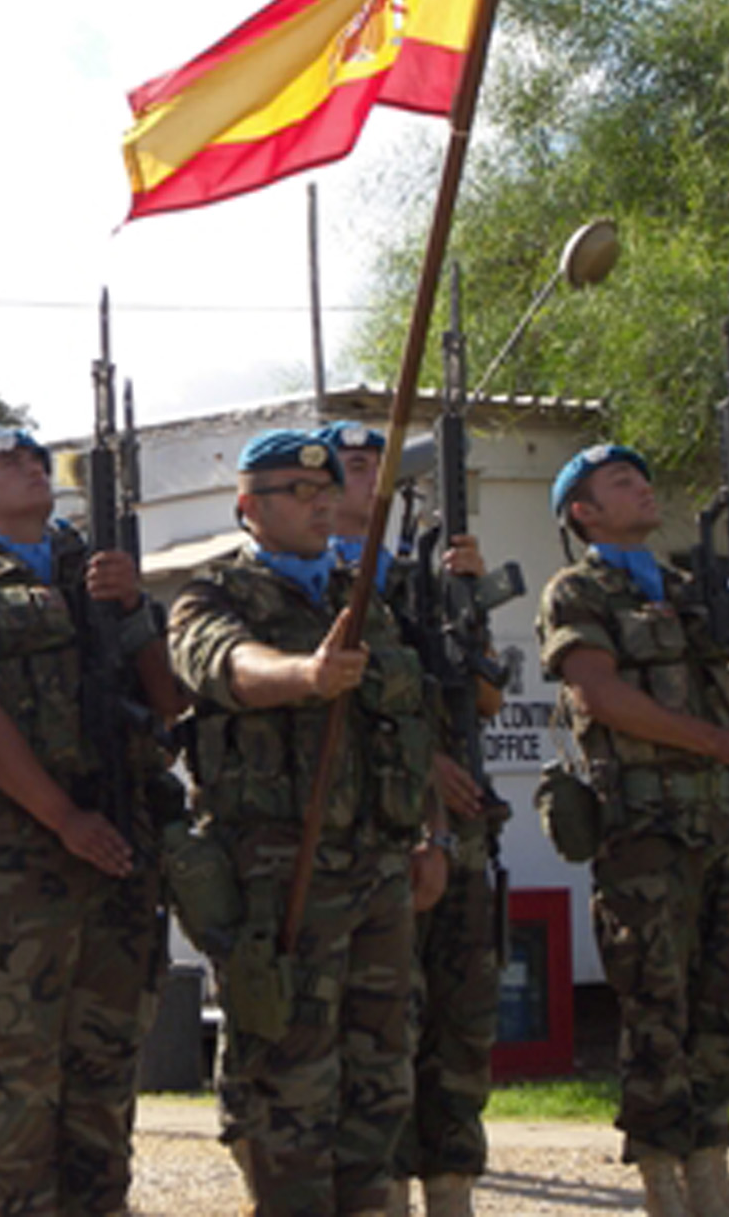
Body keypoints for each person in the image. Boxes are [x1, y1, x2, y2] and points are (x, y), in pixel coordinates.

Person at [168, 428, 448, 1217]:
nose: (320, 502)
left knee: (380, 1073)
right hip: (279, 872)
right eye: (298, 491)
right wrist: (306, 676)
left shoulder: (361, 595)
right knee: (289, 1079)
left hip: (377, 868)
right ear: (249, 507)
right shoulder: (214, 592)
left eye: (326, 491)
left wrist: (433, 834)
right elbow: (223, 665)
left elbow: (411, 726)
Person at [0, 425, 175, 1217]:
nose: (29, 465)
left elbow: (167, 701)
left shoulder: (97, 572)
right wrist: (61, 817)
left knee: (106, 1072)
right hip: (14, 864)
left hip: (118, 849)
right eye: (4, 462)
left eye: (33, 456)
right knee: (23, 1077)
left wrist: (133, 608)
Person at [535, 444, 729, 1217]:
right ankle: (660, 1181)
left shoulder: (690, 585)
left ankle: (711, 1171)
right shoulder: (578, 591)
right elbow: (600, 693)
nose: (643, 489)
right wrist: (718, 743)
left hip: (720, 823)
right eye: (620, 483)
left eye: (642, 478)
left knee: (718, 1003)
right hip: (645, 828)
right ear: (583, 511)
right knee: (655, 1006)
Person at [319, 422, 500, 1217]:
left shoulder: (425, 572)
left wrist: (468, 598)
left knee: (462, 1019)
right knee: (381, 1028)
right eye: (354, 466)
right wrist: (423, 763)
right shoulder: (313, 584)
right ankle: (383, 1192)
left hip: (460, 826)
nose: (372, 477)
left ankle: (452, 1189)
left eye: (379, 463)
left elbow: (488, 695)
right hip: (379, 828)